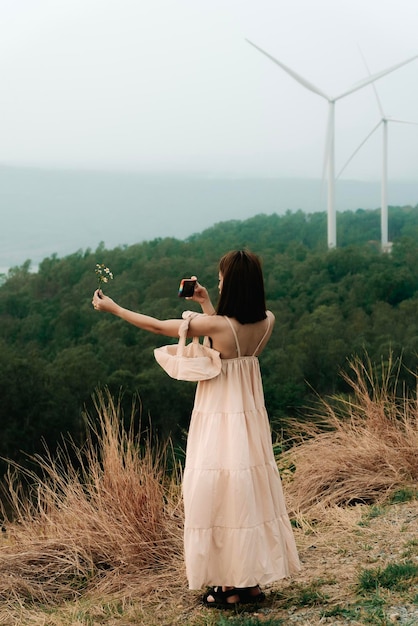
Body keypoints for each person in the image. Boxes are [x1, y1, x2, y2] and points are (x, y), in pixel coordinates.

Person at [92, 249, 300, 609]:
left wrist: (115, 309)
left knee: (217, 492)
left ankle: (230, 588)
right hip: (248, 417)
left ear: (231, 283)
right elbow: (229, 341)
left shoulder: (217, 326)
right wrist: (207, 303)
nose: (216, 282)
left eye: (220, 279)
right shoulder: (267, 319)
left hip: (220, 414)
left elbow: (159, 326)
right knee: (244, 493)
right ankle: (248, 583)